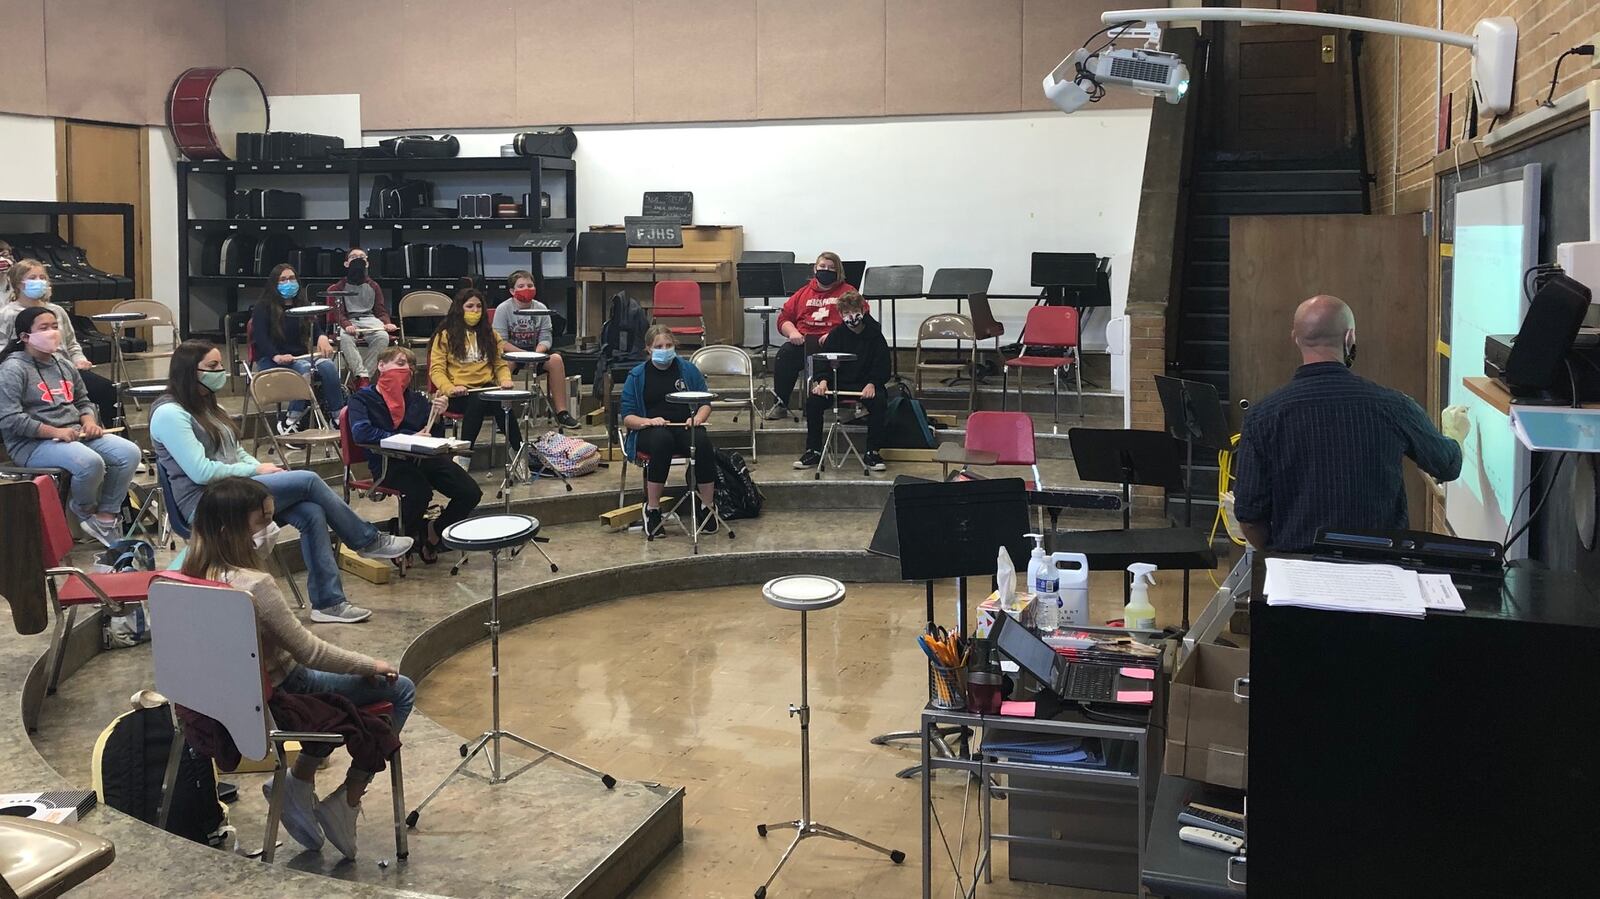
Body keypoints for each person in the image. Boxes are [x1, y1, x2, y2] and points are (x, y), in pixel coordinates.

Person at [181, 476, 413, 859]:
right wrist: (369, 664)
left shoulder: (188, 576)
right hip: (287, 689)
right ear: (231, 530)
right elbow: (309, 652)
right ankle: (347, 799)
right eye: (262, 521)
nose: (271, 529)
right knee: (400, 688)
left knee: (352, 688)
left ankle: (299, 780)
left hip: (226, 700)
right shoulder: (253, 585)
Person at [150, 339, 412, 623]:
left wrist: (260, 467)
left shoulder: (207, 405)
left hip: (236, 491)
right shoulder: (169, 413)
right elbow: (200, 471)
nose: (221, 371)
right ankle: (367, 540)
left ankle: (328, 604)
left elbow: (235, 451)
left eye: (221, 365)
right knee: (309, 480)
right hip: (205, 504)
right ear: (190, 371)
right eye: (213, 366)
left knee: (312, 512)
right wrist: (255, 472)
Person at [1233, 295, 1471, 552]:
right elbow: (1447, 466)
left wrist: (1280, 554)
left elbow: (1249, 516)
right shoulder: (1393, 406)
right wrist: (1454, 434)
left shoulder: (1262, 416)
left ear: (1296, 338)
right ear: (1349, 338)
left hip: (1298, 572)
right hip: (1378, 567)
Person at [0, 306, 142, 546]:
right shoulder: (13, 369)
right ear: (25, 337)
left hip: (75, 435)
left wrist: (89, 421)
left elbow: (83, 401)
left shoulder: (63, 364)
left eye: (55, 327)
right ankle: (84, 511)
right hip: (33, 444)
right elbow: (10, 418)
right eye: (43, 328)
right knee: (90, 462)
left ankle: (105, 516)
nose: (52, 333)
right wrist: (55, 432)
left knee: (129, 453)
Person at [348, 347, 482, 564]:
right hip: (387, 462)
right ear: (381, 366)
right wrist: (408, 436)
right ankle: (405, 537)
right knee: (418, 492)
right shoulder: (362, 399)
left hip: (423, 459)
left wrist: (438, 417)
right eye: (400, 363)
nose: (406, 369)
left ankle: (433, 531)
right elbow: (361, 432)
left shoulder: (418, 399)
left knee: (469, 492)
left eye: (410, 366)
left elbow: (433, 435)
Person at [620, 324, 718, 538]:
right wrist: (648, 421)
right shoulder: (637, 376)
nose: (665, 349)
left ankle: (707, 506)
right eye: (659, 346)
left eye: (668, 345)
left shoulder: (688, 370)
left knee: (701, 442)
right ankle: (653, 508)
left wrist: (698, 418)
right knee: (661, 442)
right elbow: (627, 416)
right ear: (649, 349)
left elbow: (705, 402)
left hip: (683, 425)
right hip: (650, 428)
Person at [0, 258, 121, 427]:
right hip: (30, 372)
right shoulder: (7, 314)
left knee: (108, 390)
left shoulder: (57, 311)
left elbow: (71, 344)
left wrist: (78, 359)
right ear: (18, 284)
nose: (39, 282)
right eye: (33, 278)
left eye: (42, 277)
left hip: (64, 369)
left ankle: (115, 433)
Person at [796, 291, 890, 472]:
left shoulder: (875, 335)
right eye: (845, 313)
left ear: (863, 311)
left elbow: (883, 365)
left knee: (879, 402)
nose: (851, 317)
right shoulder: (836, 335)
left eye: (854, 311)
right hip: (837, 383)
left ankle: (873, 452)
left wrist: (872, 383)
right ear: (840, 315)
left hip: (865, 384)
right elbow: (824, 362)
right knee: (814, 402)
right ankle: (813, 450)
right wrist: (822, 382)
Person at [428, 287, 519, 469]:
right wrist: (450, 388)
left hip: (485, 389)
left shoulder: (491, 335)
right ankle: (463, 458)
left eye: (479, 307)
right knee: (478, 400)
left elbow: (500, 365)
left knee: (502, 403)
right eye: (470, 306)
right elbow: (436, 370)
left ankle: (519, 453)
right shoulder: (444, 335)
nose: (475, 311)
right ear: (459, 308)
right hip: (457, 394)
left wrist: (505, 380)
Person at [765, 251, 862, 420]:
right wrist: (793, 332)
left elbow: (860, 317)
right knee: (785, 355)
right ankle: (781, 404)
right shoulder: (803, 293)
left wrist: (834, 335)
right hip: (805, 342)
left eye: (831, 268)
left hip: (836, 343)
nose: (826, 270)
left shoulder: (848, 291)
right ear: (815, 269)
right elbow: (784, 318)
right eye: (822, 266)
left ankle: (846, 403)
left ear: (838, 271)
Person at [251, 263, 345, 432]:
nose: (289, 282)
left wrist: (322, 337)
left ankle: (338, 417)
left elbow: (315, 328)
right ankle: (290, 421)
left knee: (328, 365)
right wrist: (276, 356)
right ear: (275, 283)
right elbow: (261, 338)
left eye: (292, 278)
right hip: (271, 360)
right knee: (305, 368)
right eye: (283, 279)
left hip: (298, 358)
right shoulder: (263, 307)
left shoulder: (302, 304)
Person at [490, 269, 581, 429]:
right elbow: (501, 341)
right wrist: (524, 355)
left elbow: (546, 337)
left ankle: (562, 413)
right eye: (521, 286)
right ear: (512, 291)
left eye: (530, 285)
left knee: (556, 360)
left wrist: (537, 354)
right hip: (512, 353)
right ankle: (504, 415)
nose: (527, 288)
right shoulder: (503, 309)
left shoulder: (541, 307)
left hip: (537, 351)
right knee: (505, 366)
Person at [326, 248, 395, 384]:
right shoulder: (337, 288)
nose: (358, 260)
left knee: (382, 337)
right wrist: (347, 325)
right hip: (349, 320)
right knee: (346, 337)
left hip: (369, 319)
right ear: (346, 264)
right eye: (353, 257)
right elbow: (338, 313)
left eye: (362, 257)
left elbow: (380, 310)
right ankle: (361, 375)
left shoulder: (374, 286)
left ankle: (364, 379)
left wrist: (386, 323)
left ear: (367, 263)